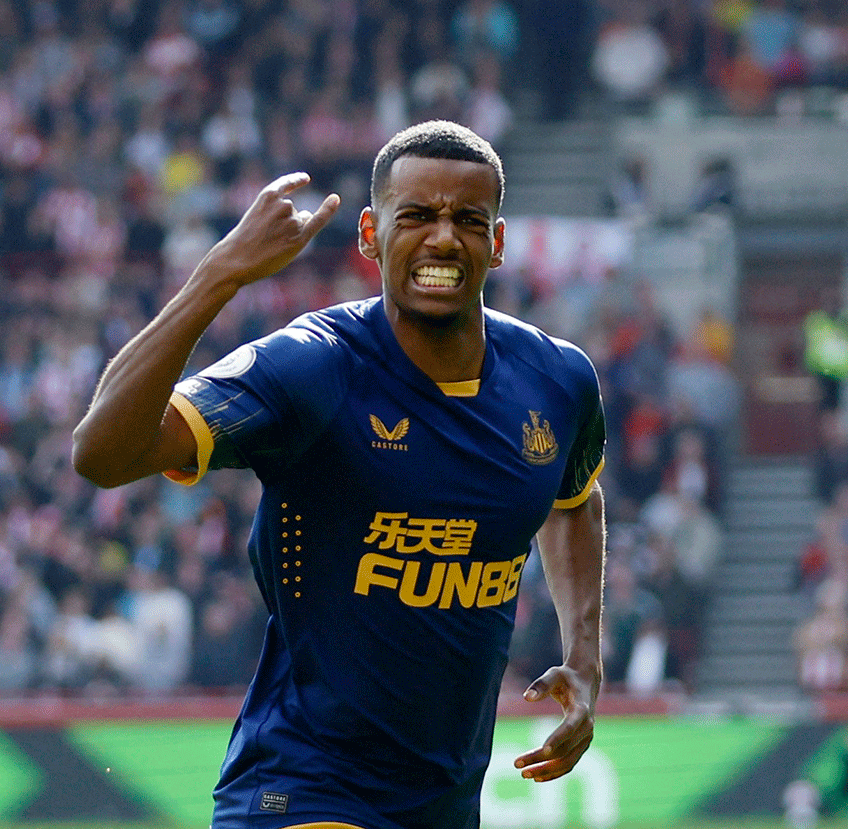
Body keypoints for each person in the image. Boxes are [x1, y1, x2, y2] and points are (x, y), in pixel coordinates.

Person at [72, 121, 607, 829]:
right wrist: (219, 275)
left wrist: (585, 659)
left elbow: (573, 500)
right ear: (369, 234)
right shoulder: (311, 367)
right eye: (416, 215)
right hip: (305, 785)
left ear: (497, 243)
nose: (443, 238)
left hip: (445, 801)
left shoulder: (557, 383)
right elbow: (101, 453)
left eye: (468, 221)